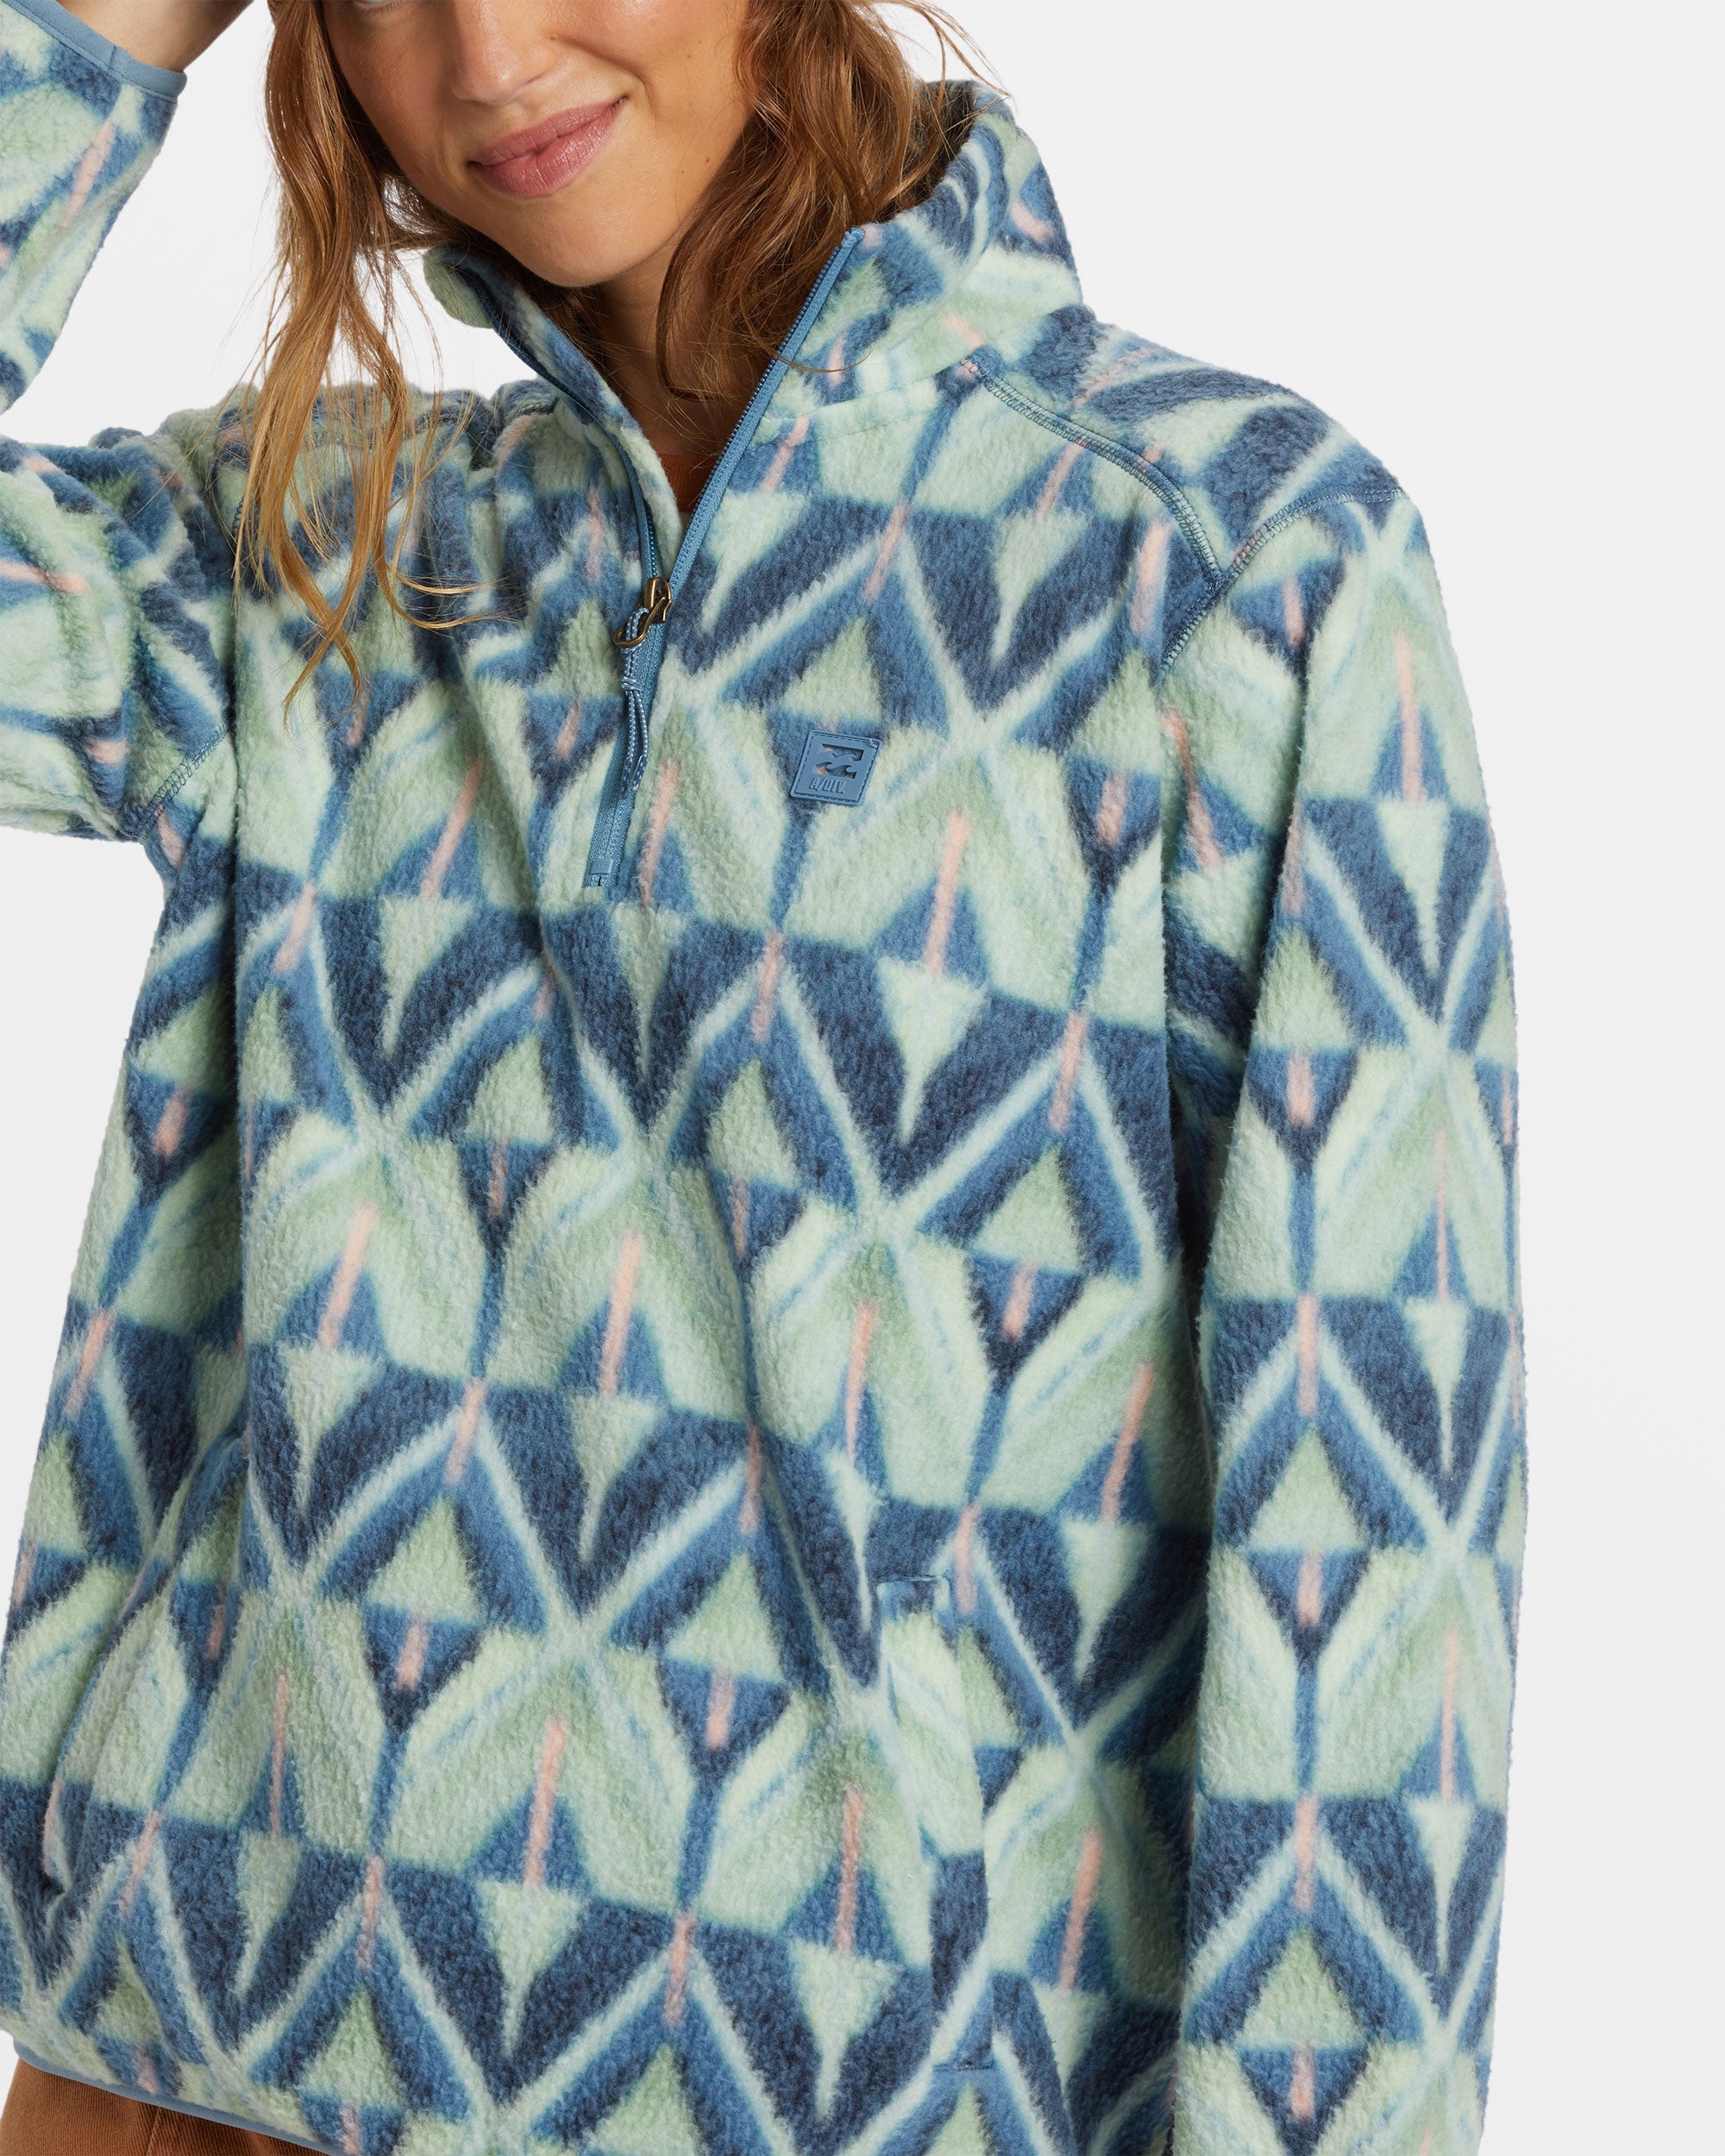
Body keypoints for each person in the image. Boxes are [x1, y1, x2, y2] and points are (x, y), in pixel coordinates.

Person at [0, 0, 1527, 2149]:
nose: (482, 49)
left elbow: (1371, 1527)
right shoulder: (307, 551)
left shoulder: (1219, 564)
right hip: (189, 2080)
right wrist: (98, 21)